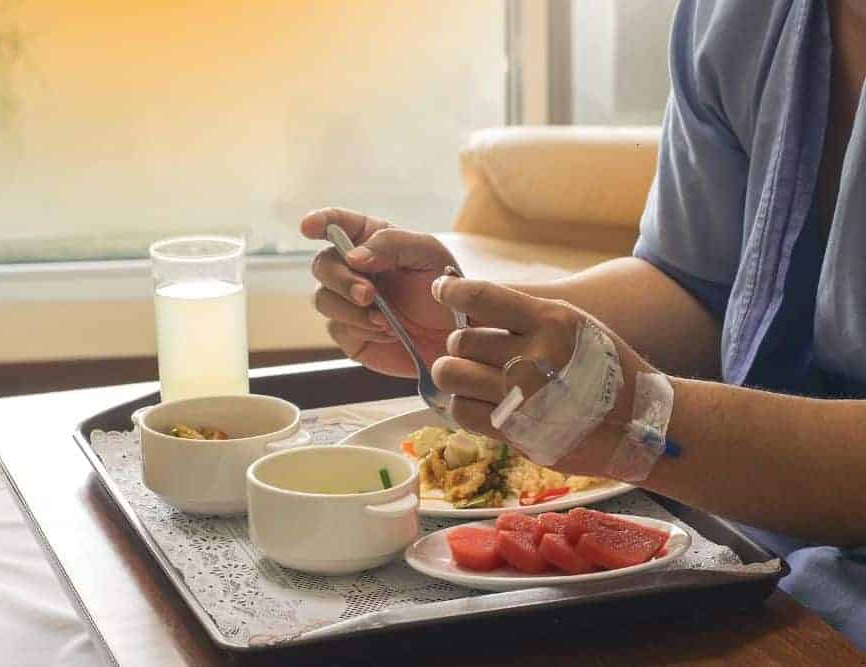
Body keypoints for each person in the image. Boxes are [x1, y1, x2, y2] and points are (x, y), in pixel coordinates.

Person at [301, 0, 866, 649]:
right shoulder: (735, 17)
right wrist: (472, 316)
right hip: (744, 558)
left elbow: (657, 418)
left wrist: (647, 422)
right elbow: (700, 290)